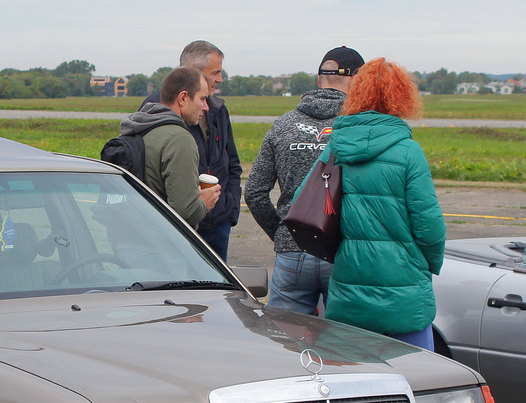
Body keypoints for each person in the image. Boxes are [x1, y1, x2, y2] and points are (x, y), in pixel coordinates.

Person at [319, 57, 446, 350]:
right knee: (419, 379)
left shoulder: (335, 148)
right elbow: (430, 228)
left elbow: (311, 203)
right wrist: (427, 264)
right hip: (404, 286)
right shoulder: (408, 152)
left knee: (353, 385)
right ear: (403, 97)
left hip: (350, 280)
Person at [243, 46, 365, 314]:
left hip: (293, 249)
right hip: (343, 252)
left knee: (286, 339)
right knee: (343, 345)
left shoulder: (283, 124)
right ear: (358, 81)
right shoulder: (362, 127)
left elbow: (254, 192)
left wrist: (285, 232)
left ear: (319, 80)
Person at [142, 41, 242, 259]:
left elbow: (232, 161)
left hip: (217, 223)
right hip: (178, 225)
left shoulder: (217, 107)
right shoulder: (157, 107)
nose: (220, 79)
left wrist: (229, 208)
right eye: (216, 73)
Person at [118, 66, 220, 229]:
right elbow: (185, 210)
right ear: (183, 98)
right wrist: (204, 203)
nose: (206, 107)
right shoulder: (179, 139)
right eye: (202, 99)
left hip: (126, 234)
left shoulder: (137, 127)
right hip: (158, 245)